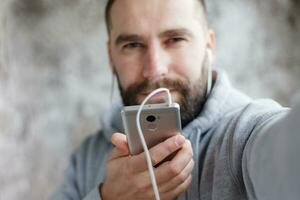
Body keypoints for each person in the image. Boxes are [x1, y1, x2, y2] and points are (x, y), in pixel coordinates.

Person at [50, 0, 300, 199]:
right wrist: (108, 197)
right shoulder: (88, 157)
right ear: (110, 56)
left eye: (175, 39)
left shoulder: (246, 133)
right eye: (133, 45)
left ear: (209, 46)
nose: (154, 69)